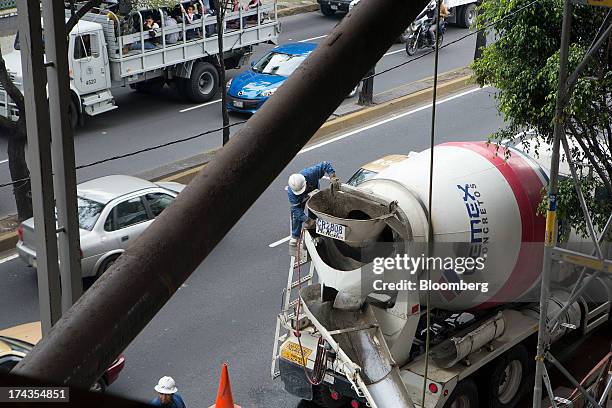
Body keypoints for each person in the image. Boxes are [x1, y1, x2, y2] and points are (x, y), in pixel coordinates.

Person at [287, 162, 337, 246]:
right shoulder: (292, 193)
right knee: (296, 215)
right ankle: (295, 236)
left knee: (313, 210)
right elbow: (296, 209)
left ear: (305, 182)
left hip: (313, 190)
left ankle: (314, 234)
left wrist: (333, 176)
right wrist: (307, 220)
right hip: (300, 199)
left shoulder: (310, 173)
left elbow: (325, 164)